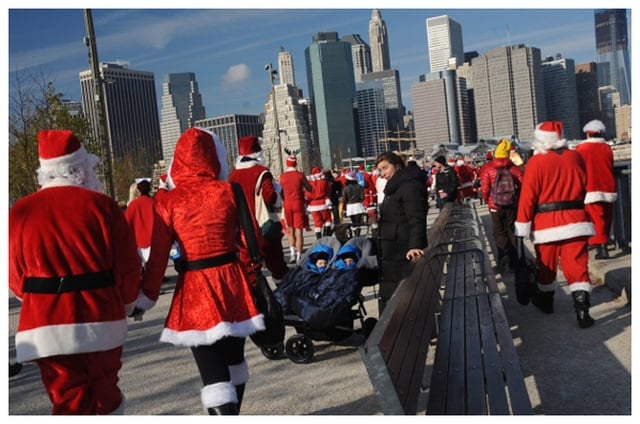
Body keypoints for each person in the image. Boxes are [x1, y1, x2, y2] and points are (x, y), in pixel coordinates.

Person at [8, 129, 145, 414]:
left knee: (66, 400)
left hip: (44, 322)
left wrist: (38, 298)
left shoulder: (19, 212)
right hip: (100, 318)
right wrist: (130, 303)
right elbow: (128, 267)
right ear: (81, 168)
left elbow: (13, 277)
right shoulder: (102, 206)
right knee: (105, 393)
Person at [143, 127, 265, 414]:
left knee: (213, 377)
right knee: (235, 365)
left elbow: (158, 256)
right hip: (232, 283)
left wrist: (144, 296)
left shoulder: (167, 201)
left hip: (195, 288)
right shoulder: (229, 190)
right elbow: (252, 240)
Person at [514, 121, 596, 328]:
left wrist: (522, 226)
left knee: (547, 266)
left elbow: (527, 198)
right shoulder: (575, 157)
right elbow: (586, 188)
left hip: (546, 225)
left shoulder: (535, 163)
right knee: (577, 265)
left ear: (540, 139)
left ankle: (547, 301)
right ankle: (582, 311)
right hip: (576, 221)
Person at [228, 136, 290, 282]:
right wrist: (277, 191)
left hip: (243, 228)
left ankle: (253, 299)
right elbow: (271, 198)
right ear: (257, 152)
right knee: (277, 266)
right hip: (263, 225)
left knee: (249, 269)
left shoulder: (233, 175)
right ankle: (283, 296)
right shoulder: (261, 172)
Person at [374, 151, 428, 314]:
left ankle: (387, 333)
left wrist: (415, 246)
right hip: (392, 247)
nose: (382, 174)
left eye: (385, 168)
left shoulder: (408, 186)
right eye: (380, 170)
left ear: (397, 166)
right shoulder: (395, 187)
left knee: (397, 296)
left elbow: (416, 218)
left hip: (401, 249)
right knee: (390, 294)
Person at [575, 119, 618, 260]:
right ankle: (602, 241)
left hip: (591, 187)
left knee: (595, 218)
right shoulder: (606, 147)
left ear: (588, 134)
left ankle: (602, 247)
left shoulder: (581, 149)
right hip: (608, 186)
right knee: (606, 217)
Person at [481, 138, 524, 274]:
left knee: (498, 232)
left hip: (495, 206)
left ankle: (502, 255)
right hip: (511, 205)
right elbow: (523, 185)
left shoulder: (487, 168)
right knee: (512, 232)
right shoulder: (514, 169)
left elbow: (485, 188)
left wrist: (488, 201)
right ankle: (514, 262)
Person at [280, 154, 313, 264]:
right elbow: (310, 188)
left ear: (287, 163)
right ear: (296, 163)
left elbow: (280, 191)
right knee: (299, 230)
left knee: (290, 230)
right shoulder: (300, 175)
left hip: (287, 203)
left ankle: (292, 254)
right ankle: (299, 255)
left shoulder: (283, 176)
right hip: (298, 203)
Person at [124, 178, 155, 269]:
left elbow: (127, 224)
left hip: (138, 242)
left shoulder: (133, 205)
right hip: (154, 240)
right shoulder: (155, 203)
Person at [305, 167, 333, 239]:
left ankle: (319, 238)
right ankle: (326, 236)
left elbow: (308, 195)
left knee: (317, 223)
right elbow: (328, 192)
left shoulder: (310, 184)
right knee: (327, 220)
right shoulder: (324, 182)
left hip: (313, 205)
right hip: (324, 204)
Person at [341, 171, 367, 236]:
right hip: (358, 205)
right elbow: (362, 197)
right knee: (358, 222)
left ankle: (355, 234)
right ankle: (358, 234)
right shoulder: (359, 186)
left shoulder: (345, 188)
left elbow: (344, 199)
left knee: (353, 222)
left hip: (350, 206)